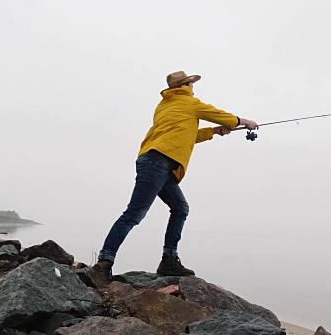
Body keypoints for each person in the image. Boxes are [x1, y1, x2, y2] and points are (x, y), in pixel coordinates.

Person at [87, 71, 258, 287]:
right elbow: (221, 115)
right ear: (186, 86)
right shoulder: (190, 103)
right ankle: (103, 264)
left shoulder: (165, 106)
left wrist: (213, 131)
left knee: (180, 209)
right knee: (134, 213)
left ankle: (169, 260)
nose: (194, 88)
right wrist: (244, 121)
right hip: (157, 162)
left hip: (158, 162)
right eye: (191, 85)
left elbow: (183, 135)